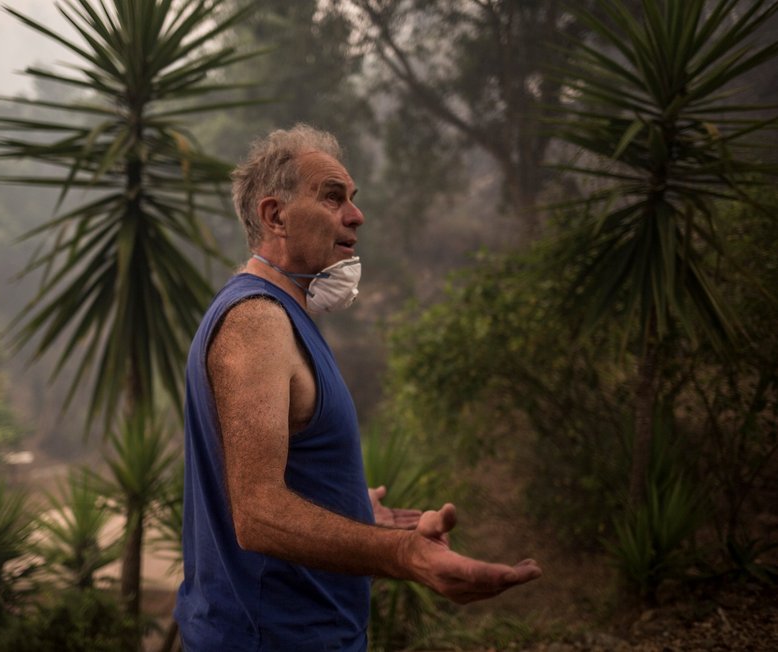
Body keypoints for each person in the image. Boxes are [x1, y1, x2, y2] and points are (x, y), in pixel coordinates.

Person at [174, 124, 541, 650]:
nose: (355, 215)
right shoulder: (257, 322)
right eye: (332, 197)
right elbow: (257, 514)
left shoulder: (284, 319)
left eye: (352, 199)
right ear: (274, 216)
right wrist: (402, 554)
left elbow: (279, 482)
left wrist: (351, 508)